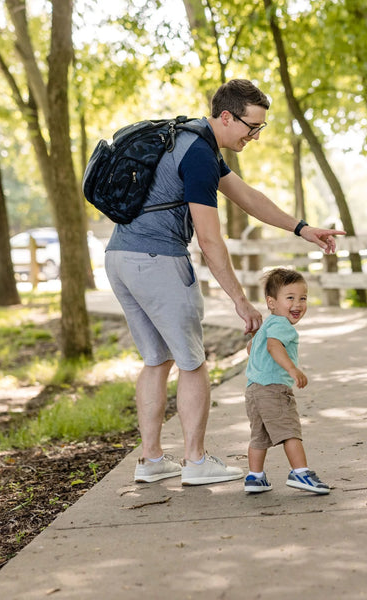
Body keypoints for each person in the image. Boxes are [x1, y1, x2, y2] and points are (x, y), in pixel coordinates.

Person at [104, 79, 344, 486]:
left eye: (260, 128)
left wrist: (301, 228)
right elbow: (210, 240)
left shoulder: (187, 139)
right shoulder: (197, 153)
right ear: (227, 116)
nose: (254, 136)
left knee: (156, 359)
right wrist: (241, 301)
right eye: (251, 127)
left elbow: (247, 196)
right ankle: (195, 462)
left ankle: (151, 460)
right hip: (157, 259)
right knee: (193, 363)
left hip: (120, 257)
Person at [244, 268, 330, 495]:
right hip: (273, 389)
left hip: (253, 390)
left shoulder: (268, 325)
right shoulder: (281, 326)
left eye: (303, 298)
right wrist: (292, 368)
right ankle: (300, 472)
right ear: (271, 303)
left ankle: (255, 477)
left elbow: (252, 348)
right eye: (290, 298)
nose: (298, 304)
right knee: (290, 432)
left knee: (259, 437)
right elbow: (274, 347)